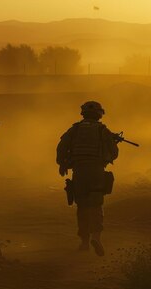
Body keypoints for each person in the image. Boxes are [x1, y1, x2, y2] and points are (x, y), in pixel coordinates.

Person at [56, 101, 119, 256]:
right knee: (96, 205)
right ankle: (96, 237)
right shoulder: (103, 131)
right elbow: (114, 153)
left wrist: (62, 164)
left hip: (79, 172)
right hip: (96, 171)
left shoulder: (75, 129)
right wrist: (113, 143)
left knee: (82, 206)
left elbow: (61, 147)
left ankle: (84, 242)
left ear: (83, 114)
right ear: (99, 114)